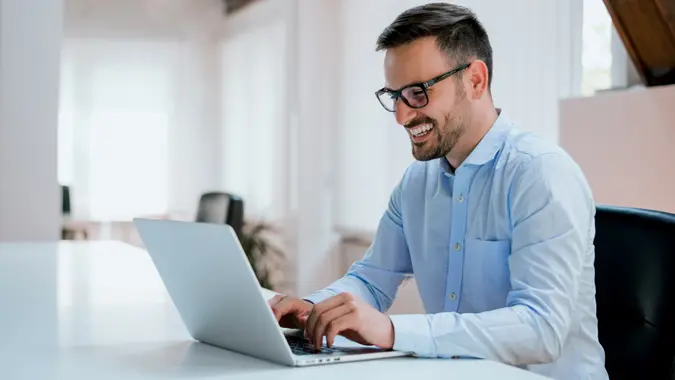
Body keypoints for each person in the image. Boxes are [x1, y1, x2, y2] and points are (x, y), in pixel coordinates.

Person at [268, 3, 608, 379]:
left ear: (475, 80)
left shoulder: (541, 174)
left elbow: (542, 330)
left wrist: (391, 330)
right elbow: (371, 279)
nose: (401, 116)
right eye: (394, 95)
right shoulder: (417, 182)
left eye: (417, 92)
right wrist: (311, 308)